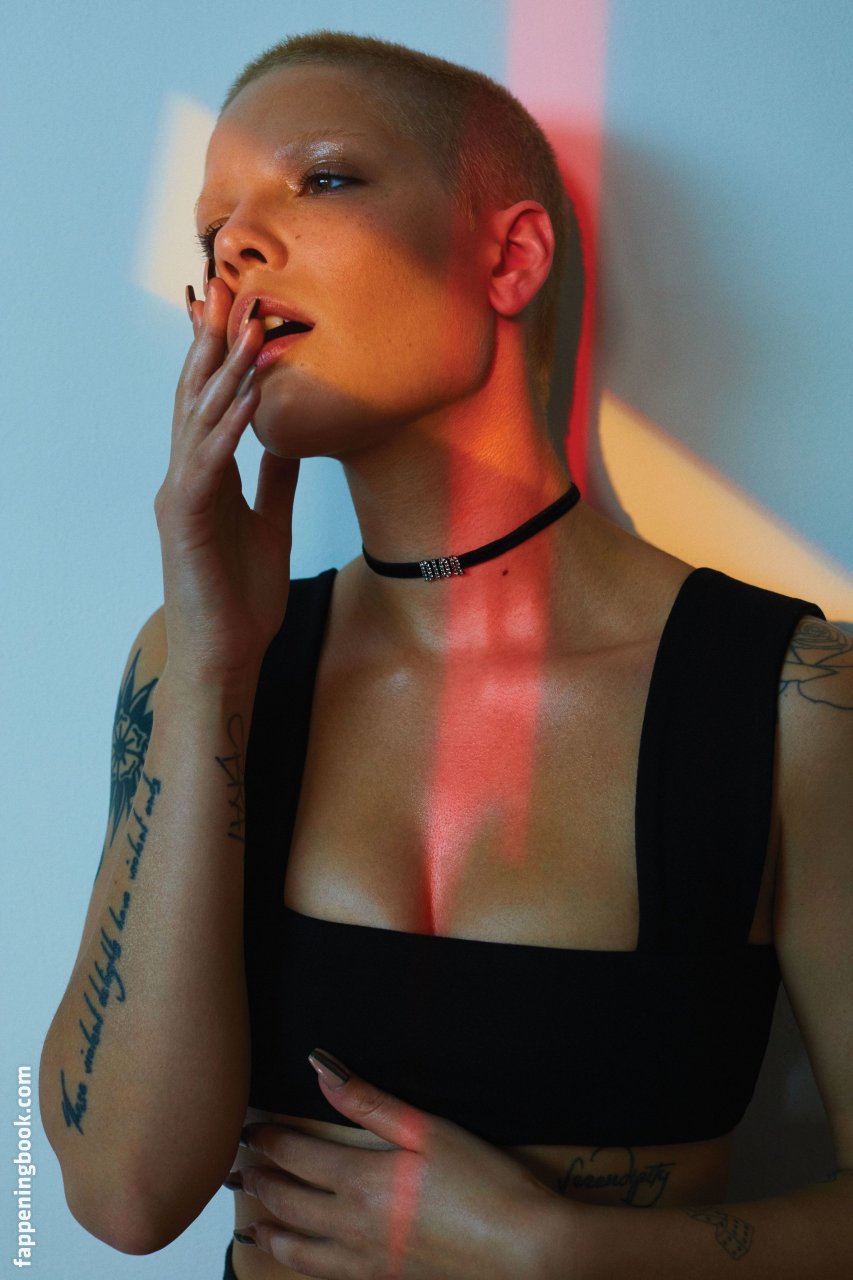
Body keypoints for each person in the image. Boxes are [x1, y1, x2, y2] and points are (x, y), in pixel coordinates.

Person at [39, 28, 853, 1280]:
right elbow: (125, 1196)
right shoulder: (202, 661)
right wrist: (208, 664)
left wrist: (567, 1251)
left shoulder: (792, 700)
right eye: (210, 234)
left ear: (509, 257)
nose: (235, 245)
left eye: (322, 178)